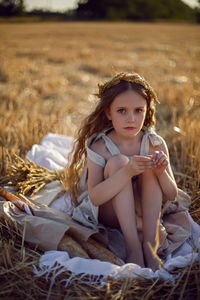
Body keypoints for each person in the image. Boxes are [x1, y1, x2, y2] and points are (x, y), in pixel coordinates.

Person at [64, 72, 190, 271]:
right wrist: (126, 172)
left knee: (149, 167)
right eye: (121, 111)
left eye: (138, 110)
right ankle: (133, 247)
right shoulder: (100, 146)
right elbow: (95, 198)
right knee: (118, 163)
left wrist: (160, 171)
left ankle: (149, 245)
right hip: (111, 214)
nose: (131, 118)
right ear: (108, 113)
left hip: (145, 212)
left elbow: (171, 195)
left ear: (147, 111)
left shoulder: (154, 143)